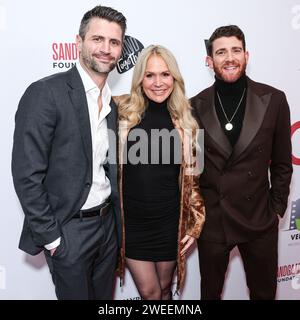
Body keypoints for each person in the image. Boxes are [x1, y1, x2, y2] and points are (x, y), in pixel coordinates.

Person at [11, 5, 126, 300]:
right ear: (79, 42)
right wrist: (53, 239)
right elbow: (26, 174)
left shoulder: (113, 104)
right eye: (97, 39)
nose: (106, 49)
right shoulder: (46, 93)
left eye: (114, 42)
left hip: (107, 228)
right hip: (69, 231)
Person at [191, 25, 293, 300]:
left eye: (236, 50)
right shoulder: (194, 106)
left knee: (263, 294)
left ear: (246, 55)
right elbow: (192, 169)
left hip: (259, 219)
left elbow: (283, 163)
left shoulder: (273, 100)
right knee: (209, 294)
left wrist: (276, 209)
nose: (230, 57)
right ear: (209, 60)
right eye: (221, 52)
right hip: (214, 220)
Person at [116, 45, 205, 300]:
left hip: (169, 223)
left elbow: (194, 181)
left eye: (165, 75)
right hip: (133, 226)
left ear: (174, 78)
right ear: (140, 79)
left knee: (165, 290)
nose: (158, 83)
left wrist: (195, 224)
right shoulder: (121, 112)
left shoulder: (187, 120)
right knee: (150, 292)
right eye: (150, 75)